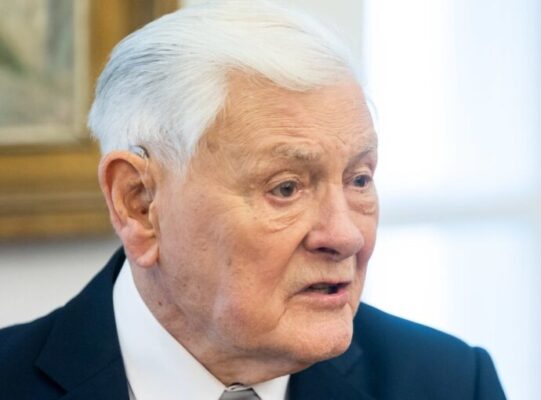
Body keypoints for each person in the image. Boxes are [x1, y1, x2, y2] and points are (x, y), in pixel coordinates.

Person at [0, 1, 506, 399]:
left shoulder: (449, 382)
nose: (346, 235)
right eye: (286, 188)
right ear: (139, 203)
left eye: (358, 180)